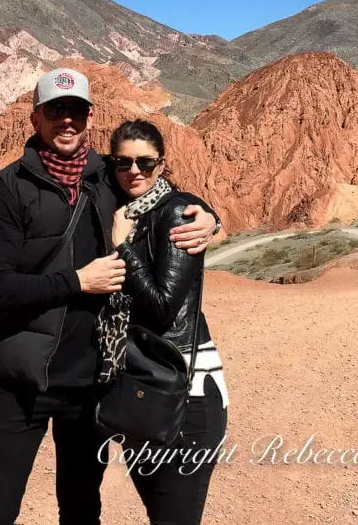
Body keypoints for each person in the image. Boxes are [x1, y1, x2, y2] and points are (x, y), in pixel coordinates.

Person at [0, 67, 220, 525]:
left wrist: (208, 216)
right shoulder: (6, 190)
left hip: (91, 383)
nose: (67, 120)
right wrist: (77, 282)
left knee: (82, 507)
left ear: (89, 117)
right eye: (56, 110)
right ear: (35, 118)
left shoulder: (109, 174)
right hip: (19, 378)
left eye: (77, 111)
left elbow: (164, 195)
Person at [106, 118, 230, 525]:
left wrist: (124, 245)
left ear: (161, 163)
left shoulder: (176, 212)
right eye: (123, 163)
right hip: (143, 386)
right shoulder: (126, 210)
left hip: (185, 391)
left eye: (145, 162)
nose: (134, 171)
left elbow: (161, 307)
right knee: (160, 512)